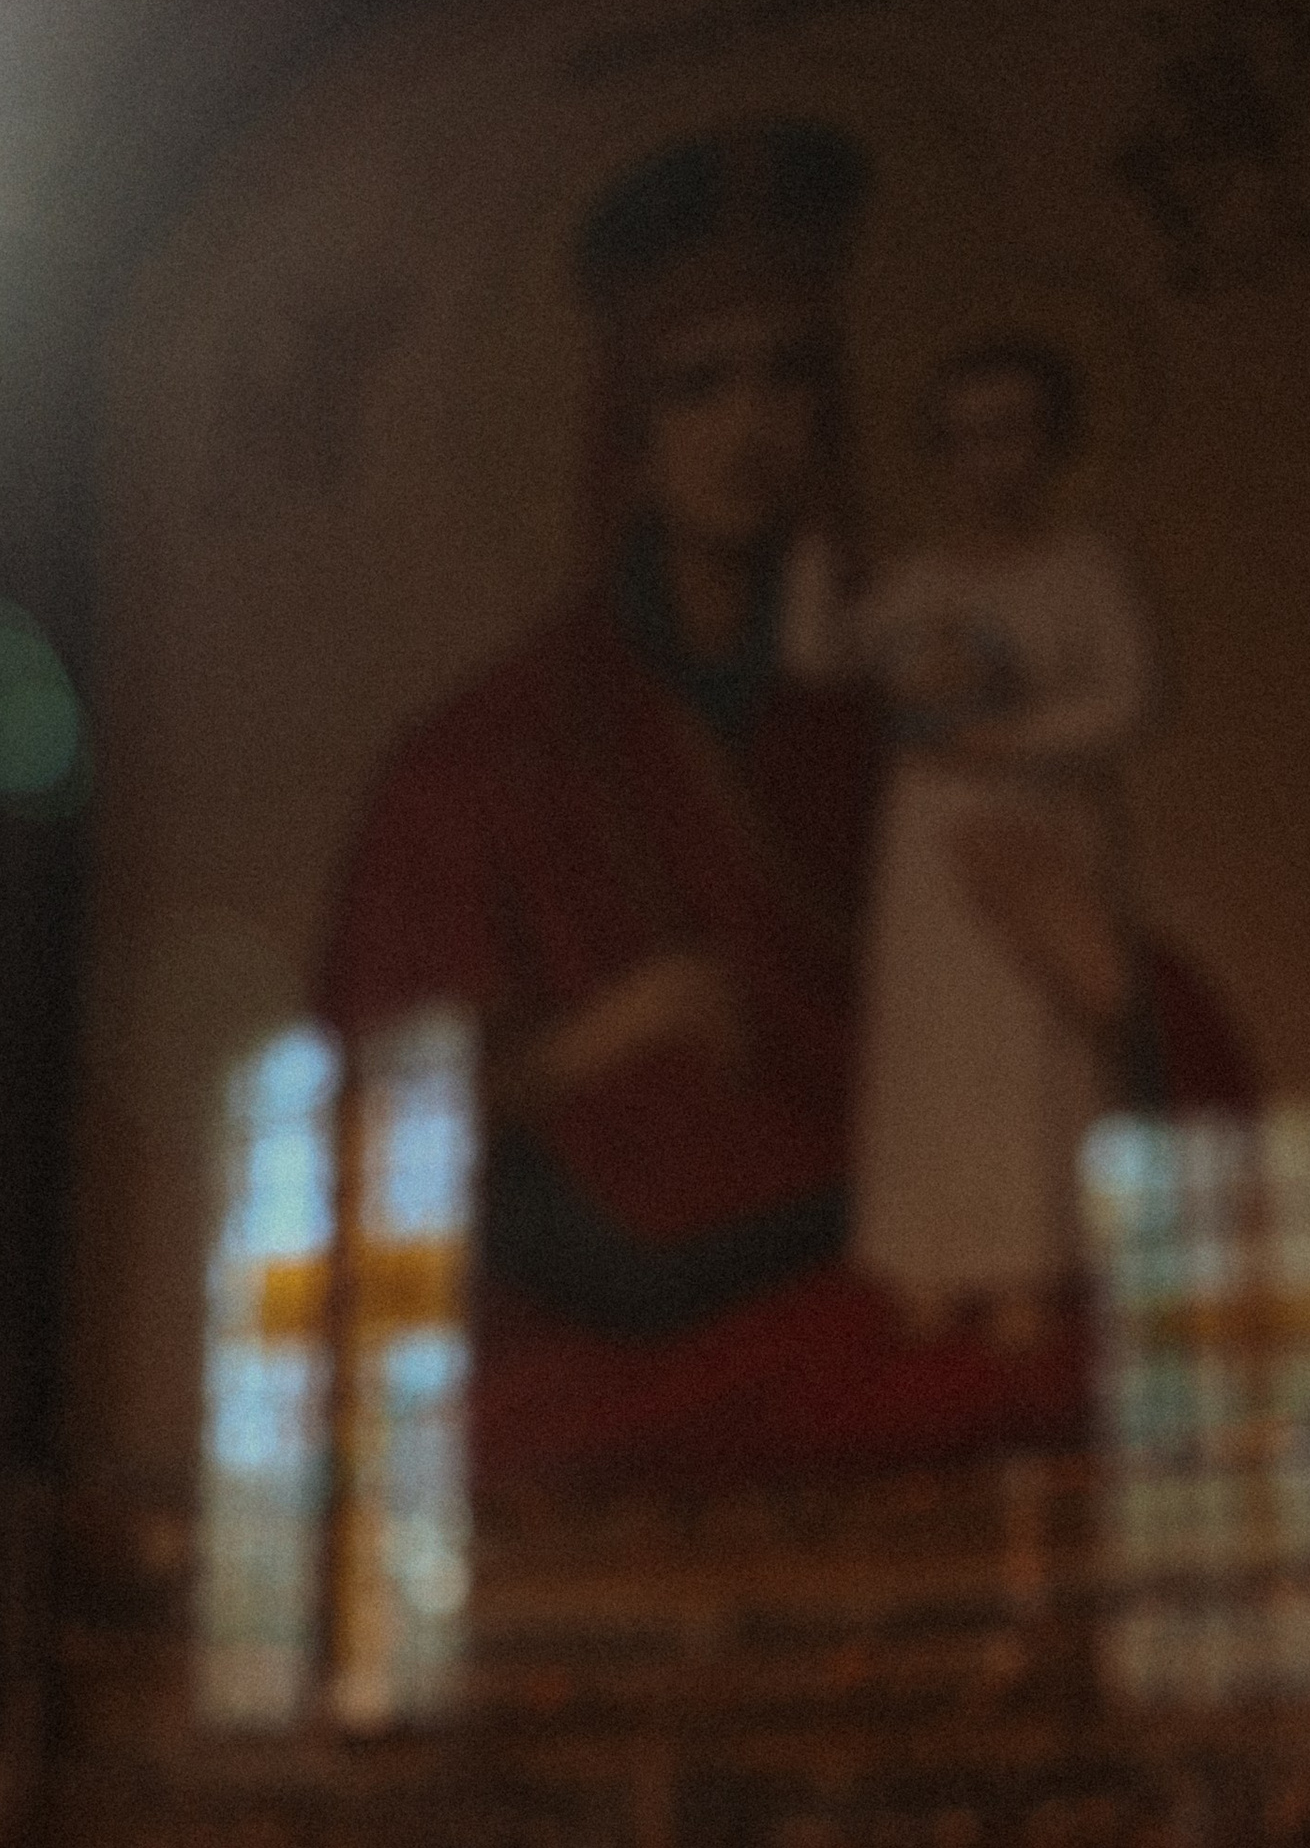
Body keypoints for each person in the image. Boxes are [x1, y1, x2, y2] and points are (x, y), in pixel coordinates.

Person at [317, 122, 1255, 1498]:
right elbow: (370, 1141)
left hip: (895, 1250)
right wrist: (596, 1042)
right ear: (627, 433)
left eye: (790, 379)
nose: (752, 427)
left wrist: (1113, 994)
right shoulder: (485, 750)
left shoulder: (909, 709)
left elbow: (1139, 1037)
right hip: (629, 1312)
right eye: (700, 385)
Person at [823, 334, 1161, 1340]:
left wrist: (1013, 737)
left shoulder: (1082, 569)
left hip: (1037, 826)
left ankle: (1028, 1265)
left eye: (1010, 435)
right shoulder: (923, 579)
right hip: (930, 839)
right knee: (940, 1048)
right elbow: (829, 655)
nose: (989, 462)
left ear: (1050, 444)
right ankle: (931, 1257)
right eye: (965, 440)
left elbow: (1126, 697)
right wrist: (806, 558)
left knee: (1029, 1048)